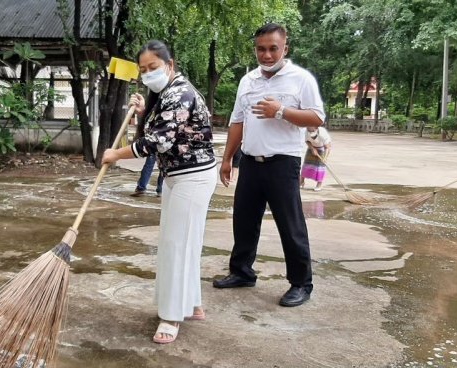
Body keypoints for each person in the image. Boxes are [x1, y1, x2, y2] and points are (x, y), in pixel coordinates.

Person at [102, 40, 216, 344]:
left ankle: (172, 315)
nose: (148, 74)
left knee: (177, 244)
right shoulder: (166, 93)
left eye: (153, 67)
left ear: (170, 65)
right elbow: (155, 133)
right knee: (182, 241)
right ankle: (192, 304)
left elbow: (157, 142)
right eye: (143, 70)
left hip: (192, 176)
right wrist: (143, 112)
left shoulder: (180, 94)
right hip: (177, 177)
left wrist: (115, 154)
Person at [213, 23, 325, 308]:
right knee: (244, 221)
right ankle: (242, 272)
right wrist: (227, 158)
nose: (266, 55)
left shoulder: (301, 79)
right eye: (261, 49)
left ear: (285, 48)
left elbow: (316, 118)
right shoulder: (247, 81)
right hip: (250, 162)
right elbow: (237, 121)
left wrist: (281, 111)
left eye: (273, 48)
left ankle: (301, 284)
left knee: (290, 225)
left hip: (283, 163)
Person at [131, 116, 165, 197]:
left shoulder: (155, 113)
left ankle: (142, 188)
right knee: (162, 167)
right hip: (160, 141)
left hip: (155, 141)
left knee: (151, 166)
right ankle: (160, 189)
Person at [300, 126, 332, 191]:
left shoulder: (322, 133)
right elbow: (307, 141)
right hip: (312, 147)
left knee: (320, 167)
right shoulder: (306, 131)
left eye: (312, 131)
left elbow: (327, 147)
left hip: (322, 148)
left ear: (316, 128)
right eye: (309, 131)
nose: (310, 132)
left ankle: (319, 184)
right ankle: (301, 182)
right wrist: (312, 148)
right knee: (306, 165)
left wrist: (325, 158)